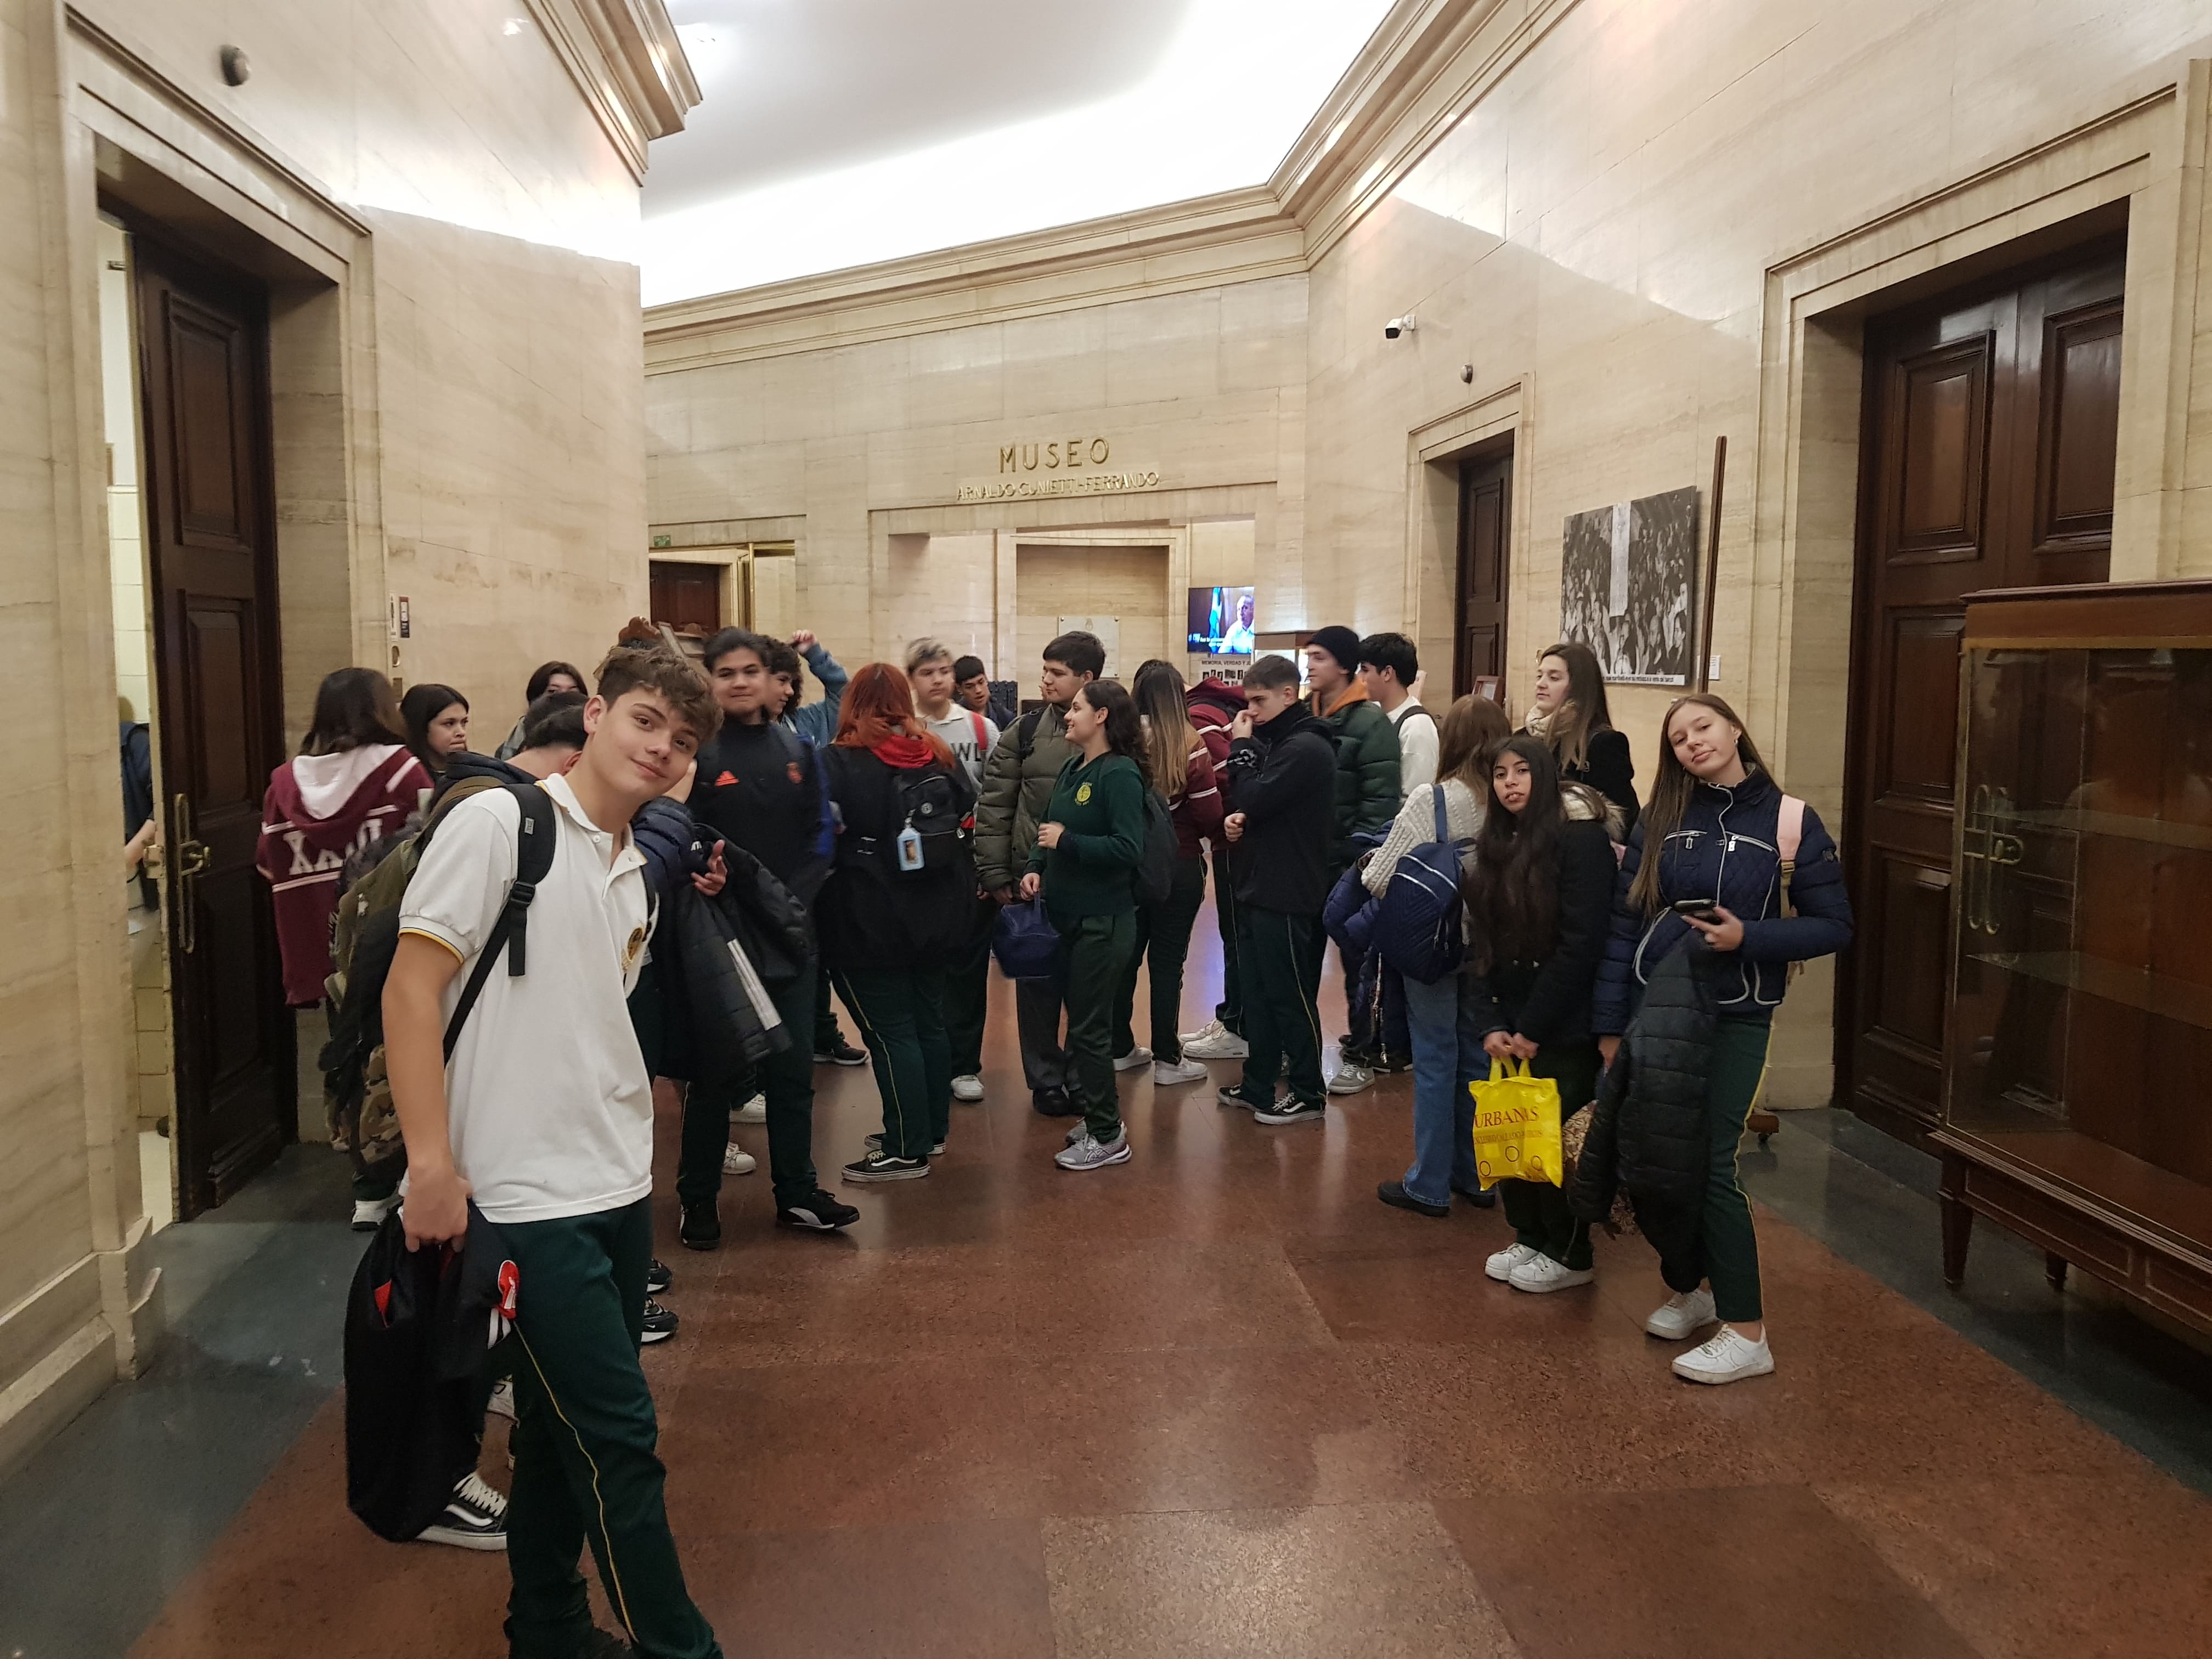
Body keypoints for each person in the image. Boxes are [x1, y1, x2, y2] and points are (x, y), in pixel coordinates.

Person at [384, 643, 723, 1659]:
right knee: (619, 1439)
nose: (660, 749)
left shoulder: (634, 871)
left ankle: (548, 1627)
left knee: (552, 1429)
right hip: (519, 1196)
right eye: (646, 721)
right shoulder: (502, 823)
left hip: (613, 1184)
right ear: (597, 713)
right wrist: (431, 1165)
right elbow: (412, 990)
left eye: (682, 740)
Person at [1592, 693, 1853, 1385]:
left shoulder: (1791, 820)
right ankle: (1694, 1287)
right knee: (1659, 1159)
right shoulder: (1662, 816)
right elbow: (1624, 924)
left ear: (1734, 729)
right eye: (1679, 738)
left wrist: (1750, 938)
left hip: (1737, 1011)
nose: (1693, 742)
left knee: (1712, 1164)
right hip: (1659, 1009)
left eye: (1703, 727)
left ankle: (1747, 1331)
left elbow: (1835, 925)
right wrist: (1610, 1026)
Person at [682, 627, 859, 1242]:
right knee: (715, 1077)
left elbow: (820, 835)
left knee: (791, 1074)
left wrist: (789, 904)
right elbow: (681, 834)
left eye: (749, 671)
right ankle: (698, 1200)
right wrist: (714, 881)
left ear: (769, 678)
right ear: (710, 681)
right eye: (725, 673)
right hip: (719, 935)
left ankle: (797, 1192)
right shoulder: (695, 755)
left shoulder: (797, 748)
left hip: (789, 932)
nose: (738, 683)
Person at [1460, 735, 1616, 1290]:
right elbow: (1480, 939)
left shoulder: (1581, 841)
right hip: (1509, 1016)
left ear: (1545, 776)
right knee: (1513, 1133)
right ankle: (1528, 1234)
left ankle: (1570, 1252)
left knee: (1555, 1140)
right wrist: (1491, 1021)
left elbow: (1582, 943)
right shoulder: (1496, 843)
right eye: (1501, 774)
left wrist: (1533, 1027)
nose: (1511, 783)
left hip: (1562, 1021)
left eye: (1522, 771)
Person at [819, 663, 978, 1181]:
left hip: (867, 916)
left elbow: (820, 834)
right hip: (936, 913)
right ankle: (930, 1131)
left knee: (890, 1033)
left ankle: (905, 1147)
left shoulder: (838, 761)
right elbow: (968, 811)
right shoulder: (936, 752)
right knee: (928, 1022)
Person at [1369, 695, 1513, 1216]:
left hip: (1434, 947)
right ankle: (1475, 1176)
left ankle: (1428, 1183)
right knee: (1477, 1057)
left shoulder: (1431, 801)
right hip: (1490, 948)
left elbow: (1379, 878)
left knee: (1434, 1058)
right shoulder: (1510, 801)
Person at [975, 629, 1104, 1116]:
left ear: (1086, 678)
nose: (1045, 680)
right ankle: (1046, 1079)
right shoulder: (1025, 732)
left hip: (1094, 883)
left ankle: (1083, 1078)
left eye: (1057, 673)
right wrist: (995, 872)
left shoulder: (1115, 733)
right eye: (1045, 670)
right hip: (1035, 885)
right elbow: (995, 805)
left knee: (1090, 992)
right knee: (1038, 988)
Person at [1020, 679, 1147, 1169]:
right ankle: (1100, 1116)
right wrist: (1036, 865)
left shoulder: (1120, 774)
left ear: (1102, 717)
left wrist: (1067, 842)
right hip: (1067, 917)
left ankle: (1108, 1135)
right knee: (1084, 1026)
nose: (1068, 715)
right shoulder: (1075, 767)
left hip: (1103, 922)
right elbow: (1047, 828)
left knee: (1091, 1031)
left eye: (1077, 708)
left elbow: (1128, 849)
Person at [257, 667, 432, 1014]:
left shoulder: (283, 786)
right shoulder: (400, 771)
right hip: (389, 944)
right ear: (383, 711)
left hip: (316, 948)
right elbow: (435, 845)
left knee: (341, 1037)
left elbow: (268, 865)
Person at [1216, 654, 1336, 1125]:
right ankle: (1258, 1083)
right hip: (1260, 883)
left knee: (1289, 995)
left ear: (1289, 694)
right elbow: (1261, 806)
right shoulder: (1282, 742)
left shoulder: (1305, 747)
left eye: (1258, 701)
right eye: (1247, 702)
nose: (1251, 712)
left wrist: (1240, 750)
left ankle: (1309, 1091)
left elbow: (1255, 794)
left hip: (1287, 890)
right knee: (1259, 994)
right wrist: (1241, 819)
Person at [1111, 661, 1222, 1087]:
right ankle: (1167, 1059)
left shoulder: (1122, 743)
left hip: (1129, 864)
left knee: (1126, 958)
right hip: (1179, 863)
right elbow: (1210, 814)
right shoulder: (1190, 744)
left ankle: (1120, 1048)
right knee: (1167, 963)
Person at [1303, 625, 1401, 1095]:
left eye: (1319, 657)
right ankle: (1299, 1049)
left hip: (1348, 864)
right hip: (1307, 860)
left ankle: (1362, 1053)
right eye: (1309, 656)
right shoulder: (1307, 716)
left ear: (1344, 665)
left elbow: (1379, 803)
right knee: (1302, 959)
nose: (1310, 665)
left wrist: (1355, 858)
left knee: (1357, 964)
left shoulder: (1371, 724)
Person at [764, 635, 870, 1070]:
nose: (786, 689)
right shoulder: (731, 739)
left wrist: (814, 655)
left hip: (817, 865)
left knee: (818, 956)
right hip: (771, 867)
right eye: (779, 679)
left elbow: (843, 693)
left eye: (791, 681)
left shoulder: (805, 723)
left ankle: (822, 1035)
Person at [911, 639, 998, 1103]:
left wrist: (990, 866)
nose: (938, 680)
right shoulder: (901, 729)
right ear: (912, 679)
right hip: (917, 864)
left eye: (944, 671)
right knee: (924, 966)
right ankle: (927, 1057)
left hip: (969, 859)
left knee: (968, 966)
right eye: (927, 672)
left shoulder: (981, 730)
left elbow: (999, 800)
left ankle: (964, 1064)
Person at [1351, 631, 1434, 1076]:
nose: (1361, 678)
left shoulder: (1415, 727)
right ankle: (1369, 1033)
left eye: (1366, 670)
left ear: (1388, 673)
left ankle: (1390, 1044)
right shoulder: (1380, 720)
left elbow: (1415, 803)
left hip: (1400, 858)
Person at [1177, 672, 1250, 1062]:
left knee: (1237, 936)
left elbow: (1225, 776)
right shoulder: (1221, 707)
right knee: (1237, 936)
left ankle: (1238, 1028)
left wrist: (1220, 823)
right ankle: (1231, 1017)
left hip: (1233, 839)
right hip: (1238, 837)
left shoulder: (1199, 719)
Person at [1526, 641, 1639, 837]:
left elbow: (1624, 820)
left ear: (1579, 687)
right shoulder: (1524, 736)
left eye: (1554, 678)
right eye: (1539, 675)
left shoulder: (1603, 743)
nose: (1541, 684)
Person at [494, 661, 585, 759]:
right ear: (535, 697)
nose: (564, 699)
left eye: (572, 692)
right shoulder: (509, 750)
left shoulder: (592, 742)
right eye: (553, 692)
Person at [401, 682, 471, 781]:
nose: (461, 732)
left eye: (464, 723)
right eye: (449, 724)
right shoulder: (403, 779)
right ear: (421, 726)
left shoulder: (477, 773)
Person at [955, 653, 1018, 730]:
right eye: (970, 687)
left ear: (986, 679)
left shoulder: (1004, 717)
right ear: (959, 689)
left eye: (981, 682)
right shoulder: (954, 718)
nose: (978, 690)